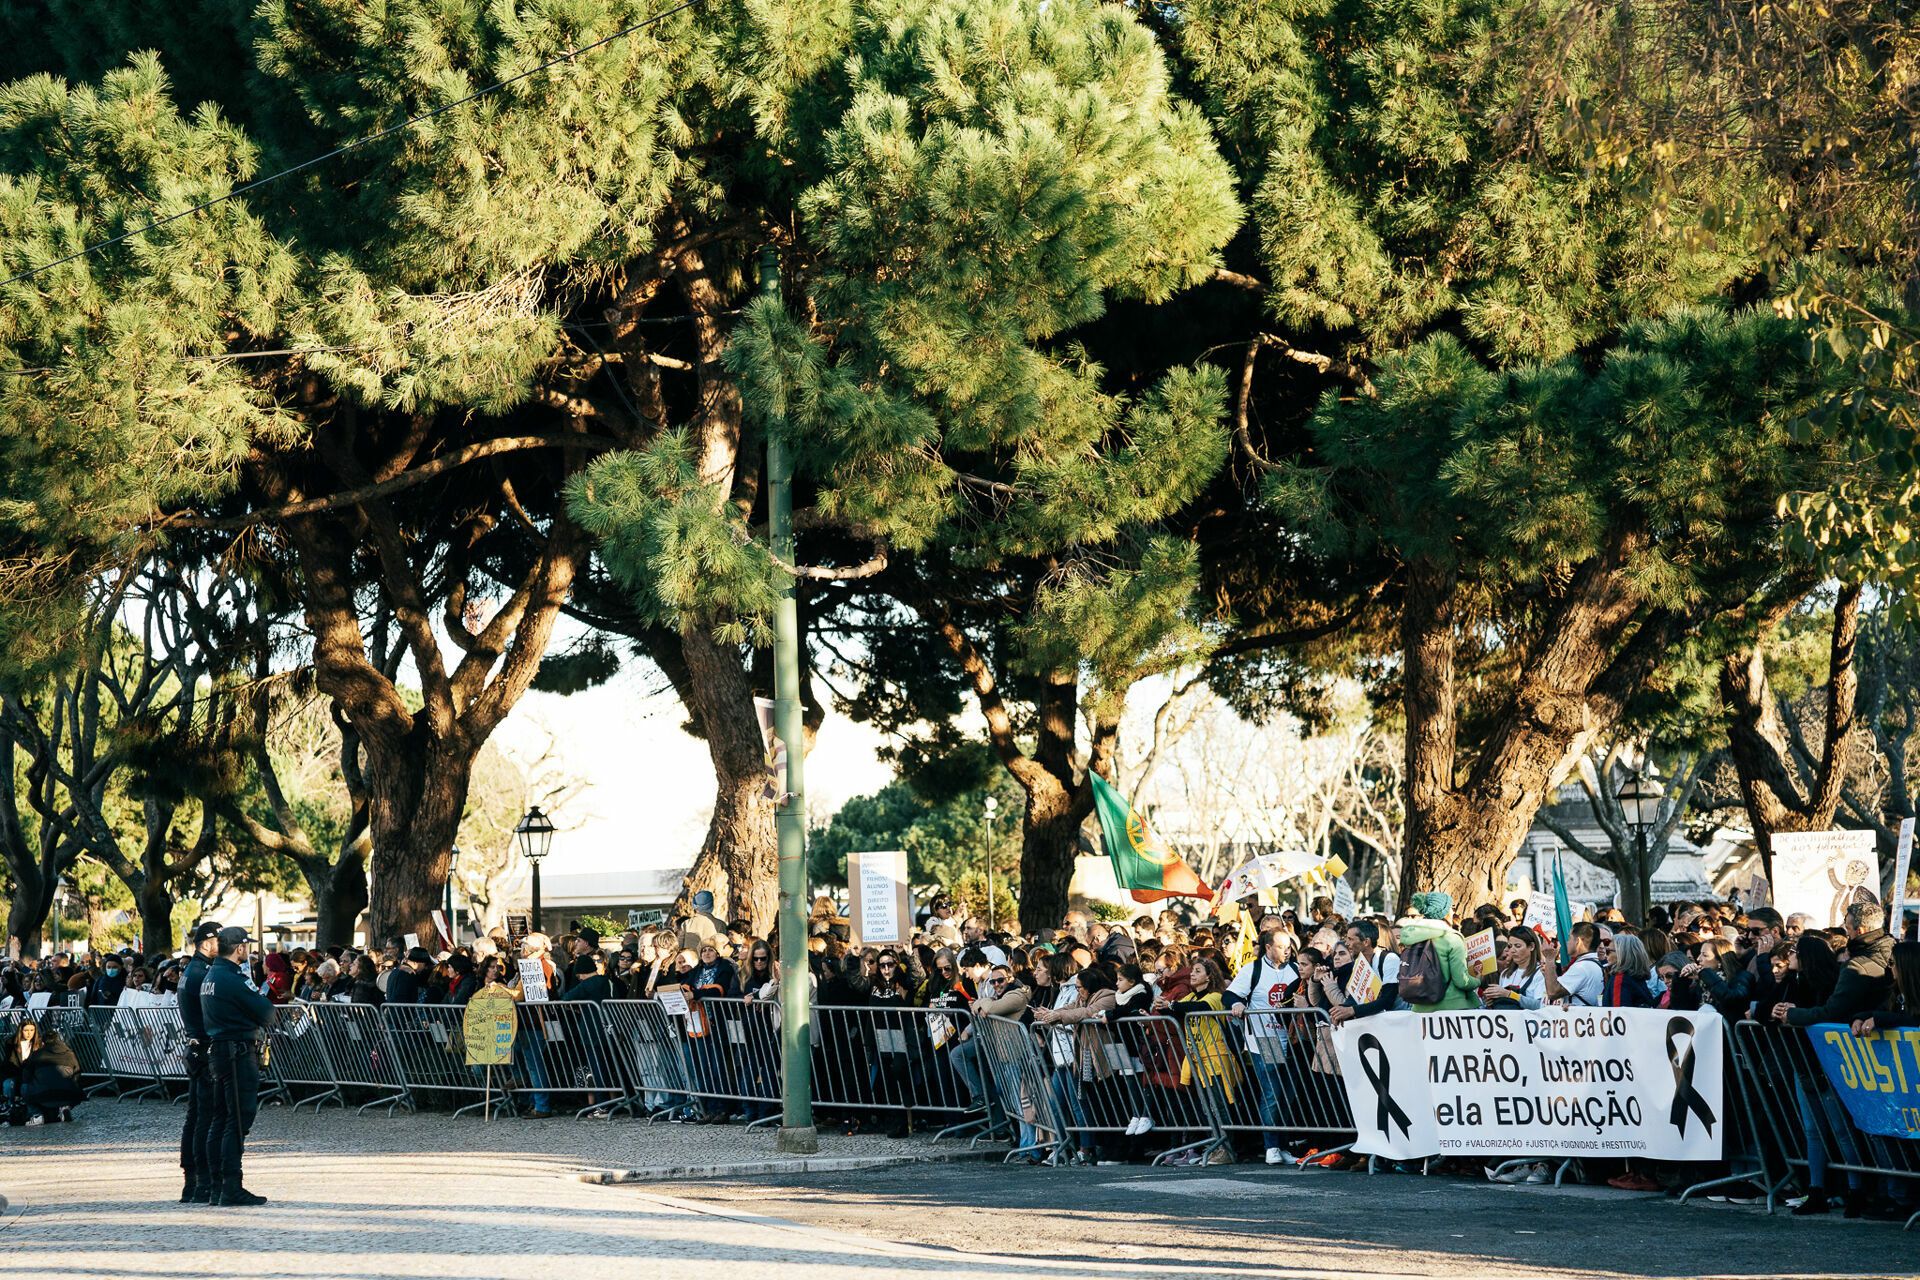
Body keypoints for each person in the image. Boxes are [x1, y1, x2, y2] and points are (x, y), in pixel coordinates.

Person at [199, 927, 273, 1207]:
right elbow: (266, 1012)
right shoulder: (231, 978)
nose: (248, 952)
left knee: (220, 1119)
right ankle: (231, 1185)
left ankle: (217, 1186)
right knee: (237, 1120)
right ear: (239, 948)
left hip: (221, 1051)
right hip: (237, 1053)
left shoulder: (211, 975)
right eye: (246, 947)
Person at [177, 921, 223, 1203]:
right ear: (206, 943)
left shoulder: (191, 970)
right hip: (204, 1049)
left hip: (196, 1049)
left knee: (195, 1116)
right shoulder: (202, 972)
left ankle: (193, 1181)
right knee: (204, 1116)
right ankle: (201, 1180)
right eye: (220, 940)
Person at [1396, 891, 1477, 1011]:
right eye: (1451, 908)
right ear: (1444, 912)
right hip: (1451, 1008)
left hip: (1419, 1007)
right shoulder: (1452, 938)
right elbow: (1461, 981)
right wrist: (1478, 980)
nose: (1453, 912)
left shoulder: (1410, 937)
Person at [3, 1019, 82, 1126]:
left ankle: (37, 1114)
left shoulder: (40, 1046)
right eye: (26, 1030)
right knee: (8, 1084)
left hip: (34, 1075)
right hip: (18, 1073)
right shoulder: (11, 1043)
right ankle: (11, 1109)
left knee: (27, 1087)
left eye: (32, 1030)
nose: (29, 1033)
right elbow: (10, 1063)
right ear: (20, 1031)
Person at [1546, 922, 1607, 1008]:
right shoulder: (1595, 964)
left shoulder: (1582, 967)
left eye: (1569, 938)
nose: (1567, 942)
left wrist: (1549, 959)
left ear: (1578, 941)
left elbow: (1553, 992)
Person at [1603, 934, 1658, 1008]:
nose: (1606, 955)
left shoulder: (1620, 978)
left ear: (1621, 953)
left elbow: (1619, 1011)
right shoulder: (1637, 977)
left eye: (1608, 951)